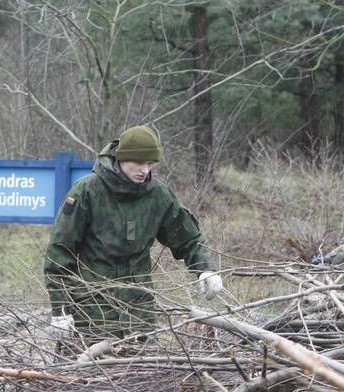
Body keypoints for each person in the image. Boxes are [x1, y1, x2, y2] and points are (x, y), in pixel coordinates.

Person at [43, 125, 222, 346]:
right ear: (120, 159)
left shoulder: (158, 195)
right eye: (138, 162)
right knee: (85, 374)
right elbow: (59, 253)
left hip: (139, 310)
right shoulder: (87, 192)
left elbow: (188, 239)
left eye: (149, 163)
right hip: (91, 309)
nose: (144, 170)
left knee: (140, 375)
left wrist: (206, 269)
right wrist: (60, 310)